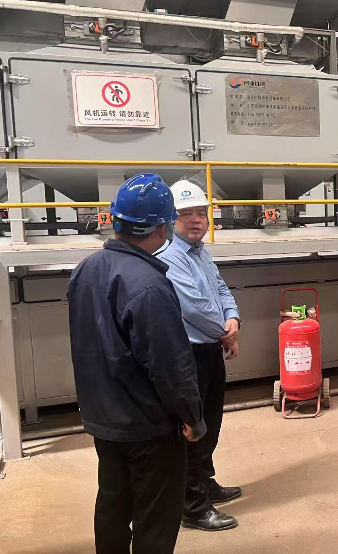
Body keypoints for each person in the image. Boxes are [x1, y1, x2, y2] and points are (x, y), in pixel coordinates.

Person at [67, 173, 206, 554]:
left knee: (113, 503)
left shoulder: (86, 269)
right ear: (162, 228)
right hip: (148, 425)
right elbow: (170, 365)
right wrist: (192, 416)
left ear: (116, 219)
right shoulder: (150, 284)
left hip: (103, 418)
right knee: (156, 517)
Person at [158, 180, 242, 532]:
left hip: (210, 349)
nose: (196, 220)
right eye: (186, 214)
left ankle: (205, 484)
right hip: (189, 354)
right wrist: (226, 332)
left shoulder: (200, 252)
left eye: (201, 213)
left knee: (210, 423)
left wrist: (233, 318)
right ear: (170, 219)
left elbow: (220, 289)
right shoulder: (170, 256)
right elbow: (194, 306)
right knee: (193, 430)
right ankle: (193, 507)